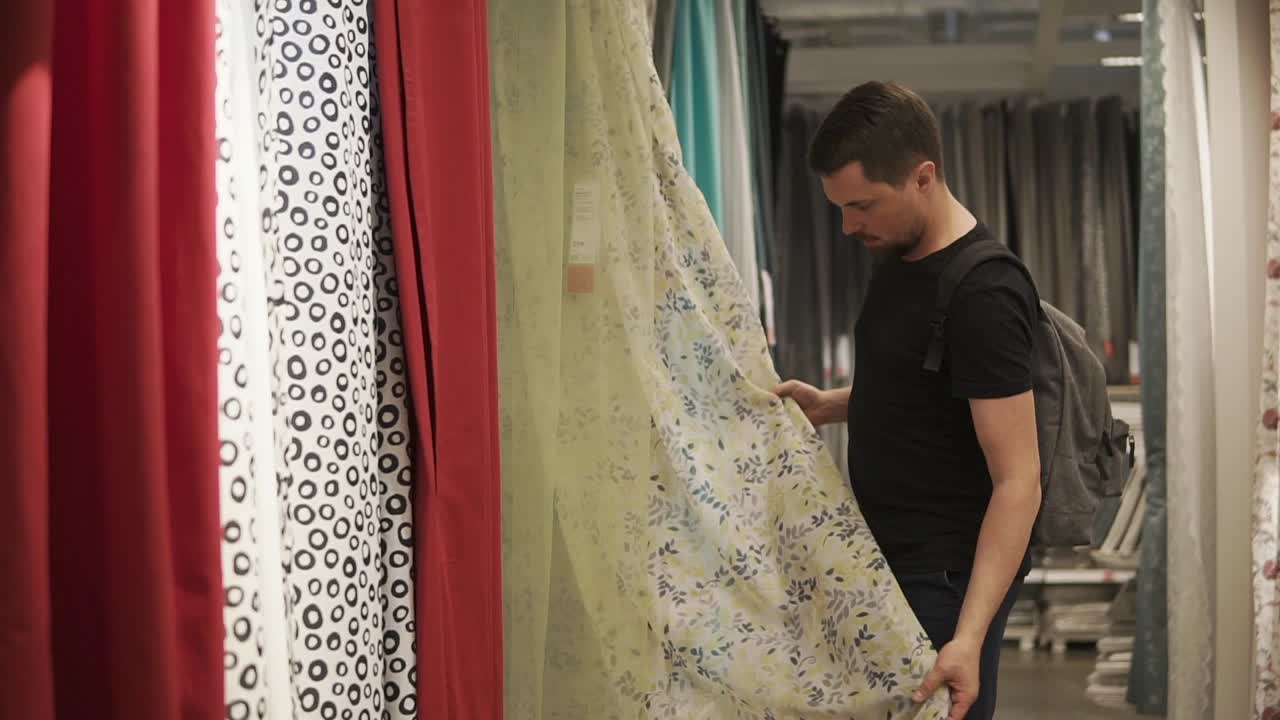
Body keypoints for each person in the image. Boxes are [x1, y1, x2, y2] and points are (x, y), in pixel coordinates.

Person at [774, 81, 1043, 720]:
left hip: (944, 581)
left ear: (923, 177)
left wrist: (968, 638)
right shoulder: (899, 254)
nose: (848, 226)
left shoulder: (986, 293)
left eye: (862, 205)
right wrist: (832, 404)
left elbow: (1019, 479)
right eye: (839, 207)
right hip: (886, 561)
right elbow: (926, 388)